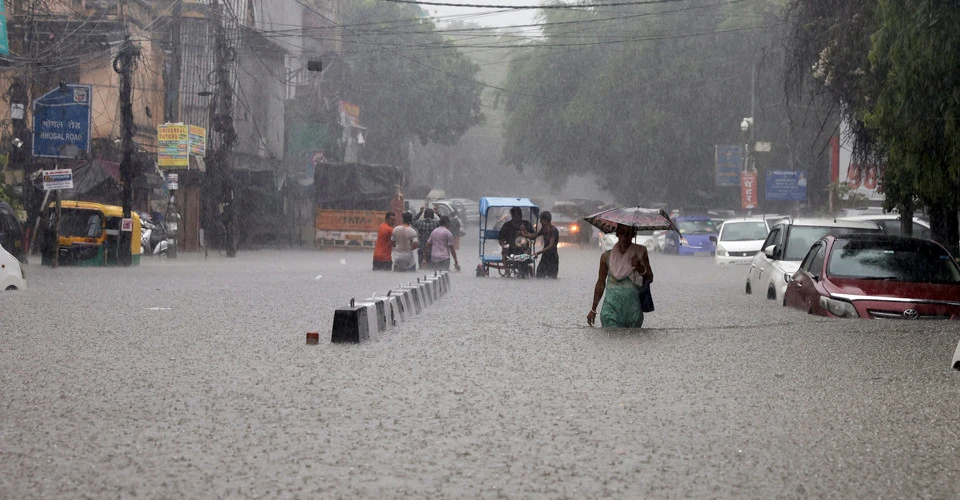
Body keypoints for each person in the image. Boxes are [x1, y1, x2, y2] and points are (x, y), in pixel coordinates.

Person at [587, 223, 654, 328]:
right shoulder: (606, 257)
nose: (624, 237)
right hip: (610, 311)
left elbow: (650, 278)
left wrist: (639, 267)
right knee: (611, 335)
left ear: (633, 235)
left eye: (628, 234)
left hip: (633, 312)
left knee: (633, 337)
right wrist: (593, 309)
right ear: (617, 234)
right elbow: (600, 283)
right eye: (622, 233)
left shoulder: (640, 253)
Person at [520, 210, 560, 278]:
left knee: (552, 278)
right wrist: (524, 233)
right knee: (539, 276)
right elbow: (534, 237)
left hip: (553, 257)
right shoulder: (544, 229)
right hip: (545, 256)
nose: (540, 222)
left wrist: (538, 253)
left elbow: (551, 245)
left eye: (541, 220)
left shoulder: (554, 230)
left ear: (546, 220)